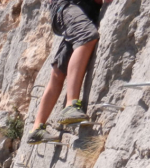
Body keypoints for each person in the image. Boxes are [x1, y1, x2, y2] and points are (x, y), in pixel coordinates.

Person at [27, 0, 111, 144]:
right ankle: (71, 105)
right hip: (69, 8)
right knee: (87, 35)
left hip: (71, 12)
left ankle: (37, 128)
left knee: (59, 71)